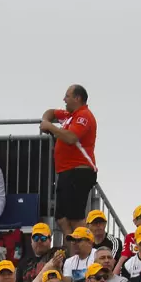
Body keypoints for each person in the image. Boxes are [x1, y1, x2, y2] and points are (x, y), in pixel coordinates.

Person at [40, 84, 97, 236]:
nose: (64, 99)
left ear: (77, 98)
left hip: (79, 170)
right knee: (62, 218)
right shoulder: (70, 115)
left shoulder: (84, 115)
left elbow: (71, 138)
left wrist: (51, 128)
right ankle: (71, 254)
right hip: (66, 171)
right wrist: (46, 121)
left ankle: (85, 253)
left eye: (67, 96)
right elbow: (50, 112)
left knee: (75, 218)